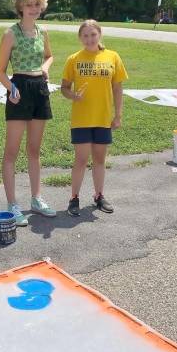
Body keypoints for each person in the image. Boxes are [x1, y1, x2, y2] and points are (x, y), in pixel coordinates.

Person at [0, 0, 56, 226]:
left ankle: (36, 198)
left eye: (37, 5)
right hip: (19, 89)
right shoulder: (10, 33)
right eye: (29, 5)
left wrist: (45, 68)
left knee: (34, 150)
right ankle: (12, 204)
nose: (34, 9)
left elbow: (50, 56)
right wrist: (11, 89)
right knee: (11, 152)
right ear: (20, 7)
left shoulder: (43, 33)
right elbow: (0, 71)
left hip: (39, 89)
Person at [61, 20, 128, 216]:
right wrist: (73, 95)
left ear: (99, 34)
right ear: (80, 38)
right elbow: (64, 88)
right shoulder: (73, 59)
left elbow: (117, 88)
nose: (89, 39)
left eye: (93, 34)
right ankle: (74, 198)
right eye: (85, 36)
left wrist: (118, 115)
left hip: (103, 118)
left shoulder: (112, 57)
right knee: (80, 160)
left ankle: (99, 196)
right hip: (81, 119)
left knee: (99, 159)